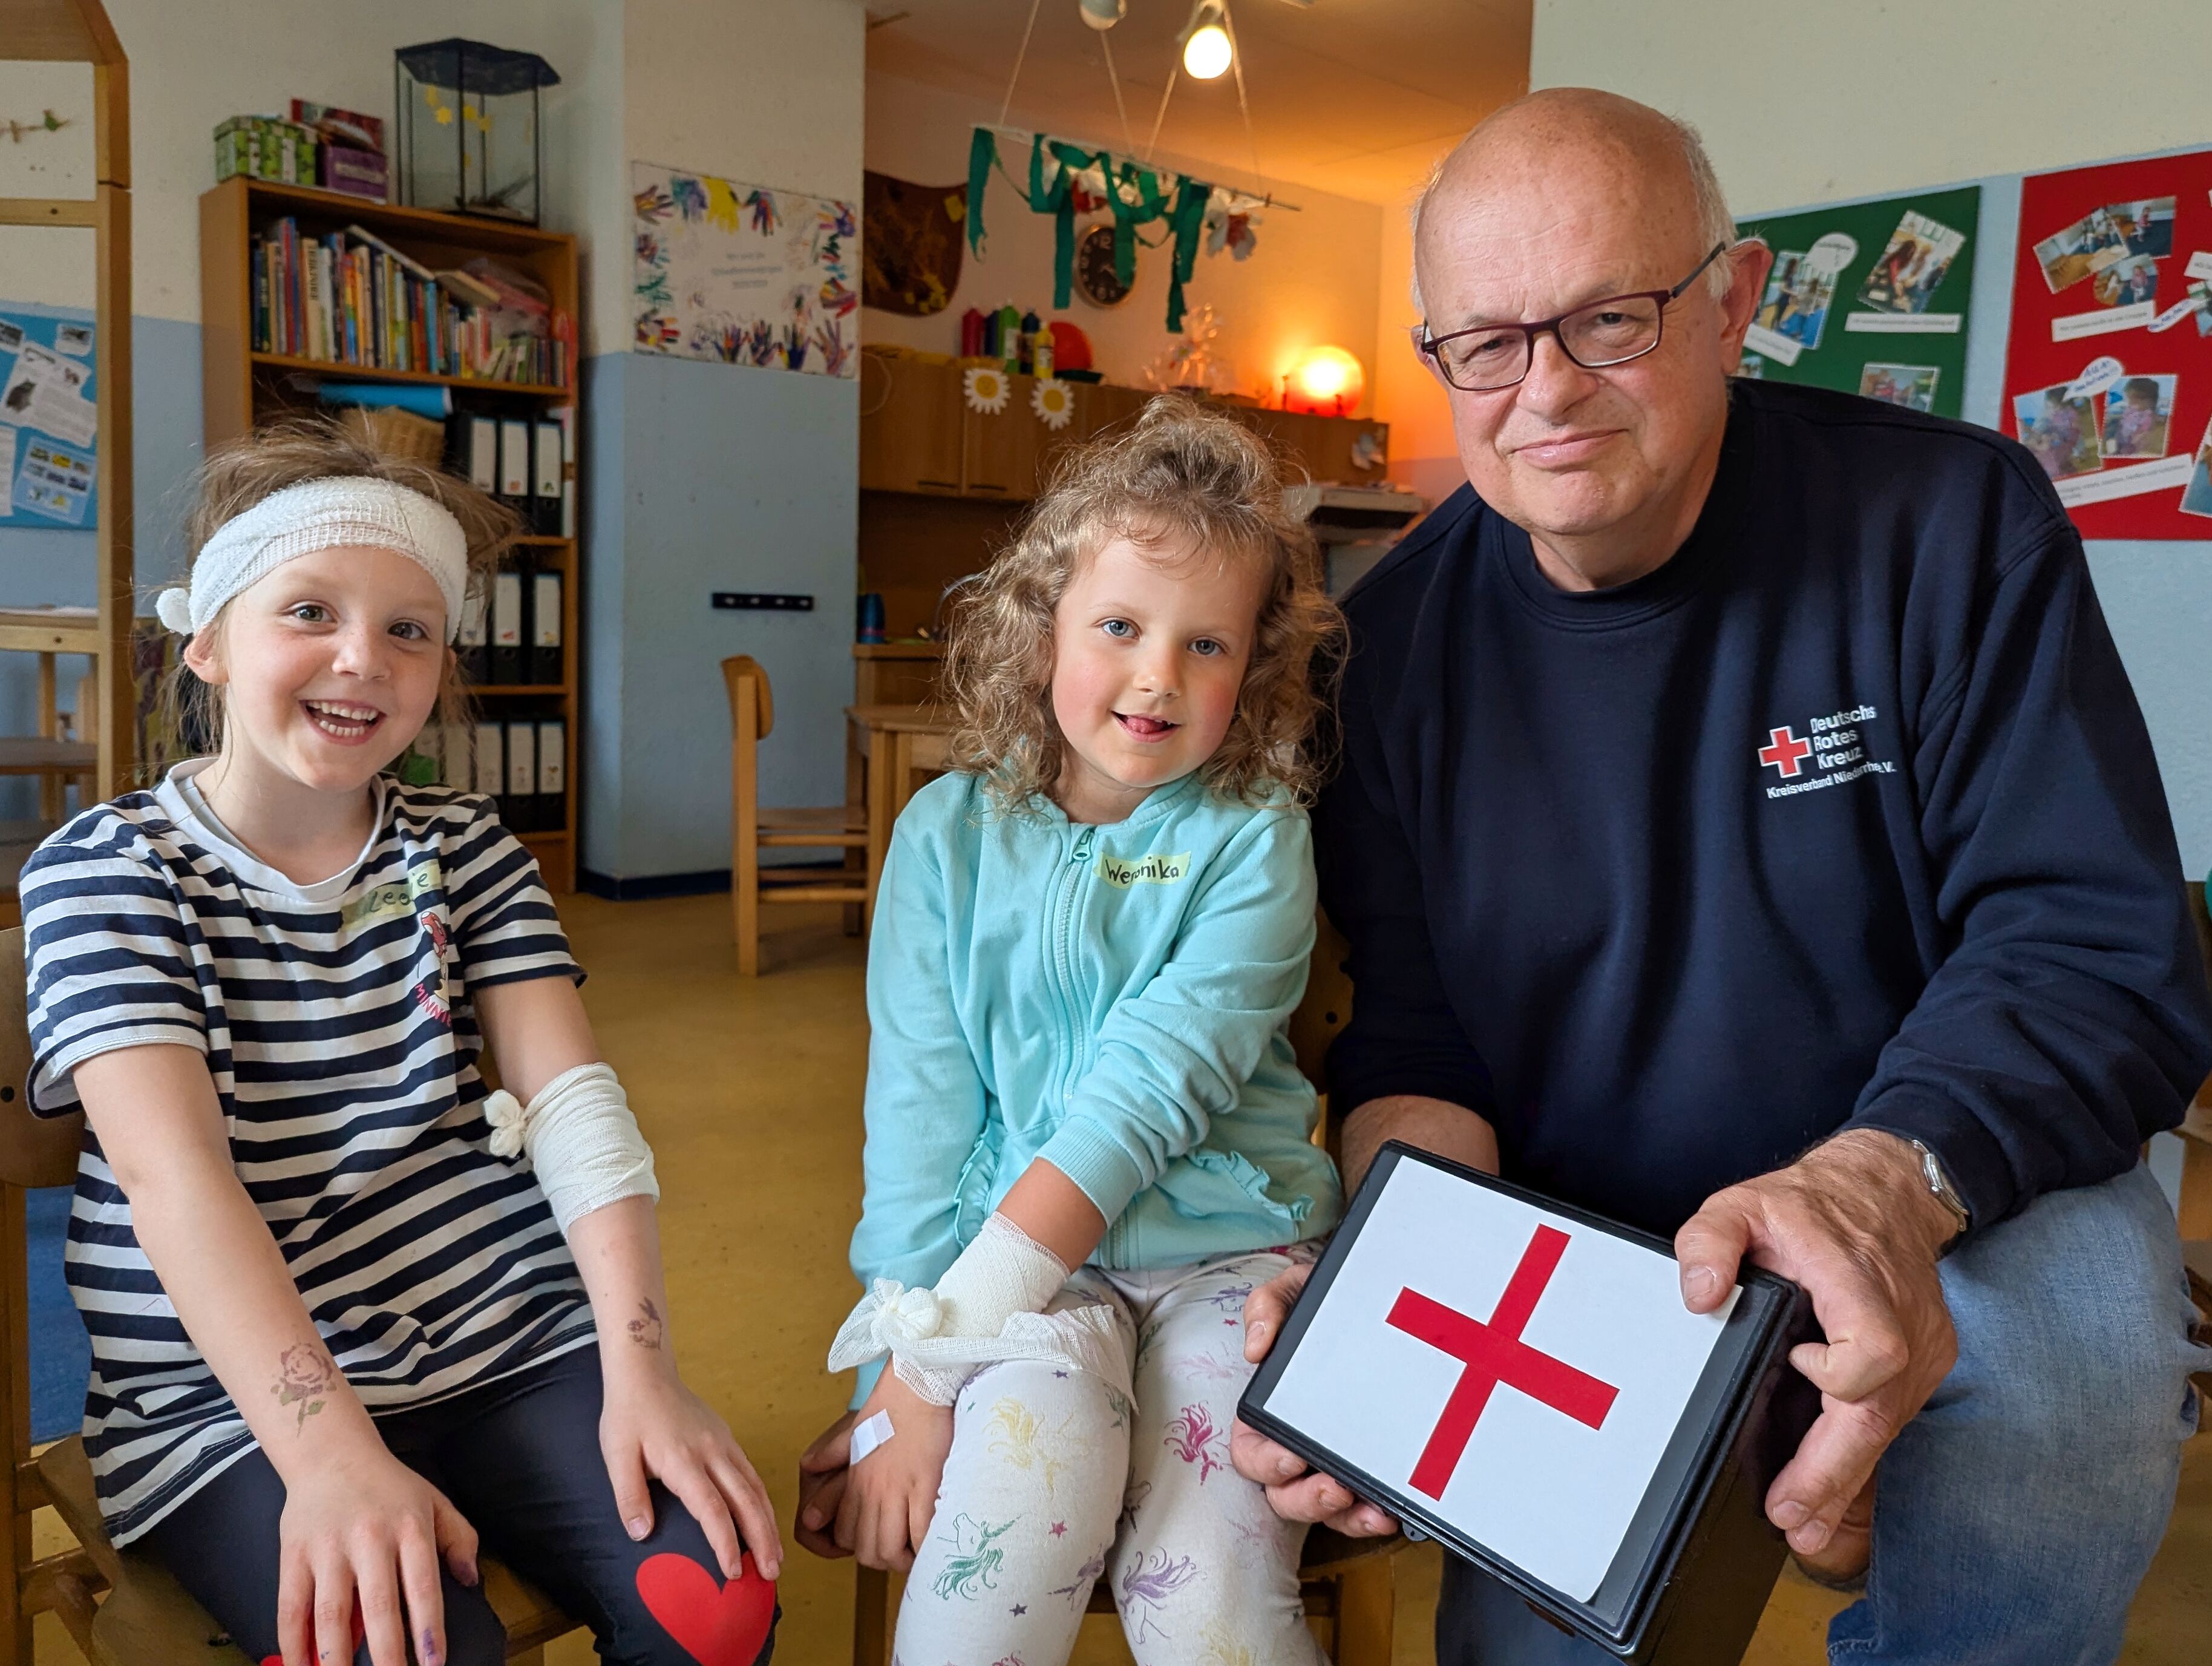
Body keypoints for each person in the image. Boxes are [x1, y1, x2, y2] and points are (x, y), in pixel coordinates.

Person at [1230, 90, 2212, 1665]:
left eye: (1609, 319)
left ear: (1734, 298)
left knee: (2096, 1325)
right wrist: (1388, 1286)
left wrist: (1873, 1188)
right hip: (1592, 1238)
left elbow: (2090, 946)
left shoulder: (1952, 523)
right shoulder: (1388, 650)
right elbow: (1418, 1038)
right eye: (1484, 344)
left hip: (1931, 1173)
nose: (1545, 390)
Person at [21, 424, 781, 1666]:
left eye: (410, 629)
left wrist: (644, 1367)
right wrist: (330, 1455)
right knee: (406, 1647)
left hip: (502, 1335)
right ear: (208, 642)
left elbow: (575, 1102)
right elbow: (176, 1181)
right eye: (309, 610)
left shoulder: (464, 844)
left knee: (718, 1610)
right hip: (231, 1401)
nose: (362, 659)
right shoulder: (108, 871)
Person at [795, 399, 1346, 1665]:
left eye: (1207, 644)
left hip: (1234, 1264)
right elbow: (919, 1117)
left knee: (1202, 1596)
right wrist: (898, 1371)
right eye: (1119, 627)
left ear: (1255, 668)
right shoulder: (944, 835)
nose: (1159, 677)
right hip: (1023, 1277)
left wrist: (937, 1356)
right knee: (1001, 1545)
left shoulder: (1259, 834)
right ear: (1042, 623)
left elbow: (1145, 1095)